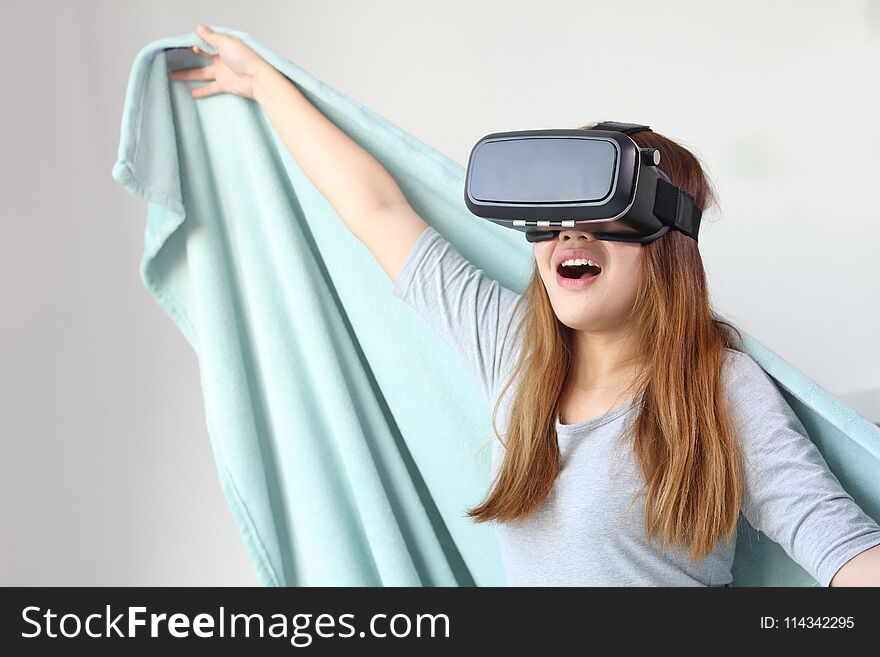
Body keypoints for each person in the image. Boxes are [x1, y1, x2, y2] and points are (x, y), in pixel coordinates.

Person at [171, 24, 880, 586]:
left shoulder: (717, 388)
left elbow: (847, 554)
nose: (571, 232)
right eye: (557, 212)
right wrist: (264, 84)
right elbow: (377, 210)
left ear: (666, 238)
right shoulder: (511, 352)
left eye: (604, 210)